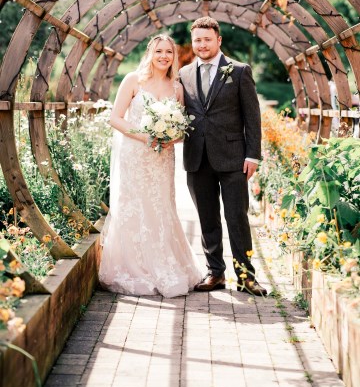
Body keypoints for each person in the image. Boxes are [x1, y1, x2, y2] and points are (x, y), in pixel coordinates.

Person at [99, 34, 203, 298]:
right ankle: (134, 267)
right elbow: (115, 118)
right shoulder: (133, 80)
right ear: (150, 52)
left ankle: (165, 263)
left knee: (160, 206)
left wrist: (172, 139)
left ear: (174, 56)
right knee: (134, 205)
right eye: (159, 51)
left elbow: (182, 127)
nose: (164, 56)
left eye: (169, 52)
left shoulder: (177, 88)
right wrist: (144, 136)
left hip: (161, 158)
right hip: (135, 154)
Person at [179, 17, 267, 296]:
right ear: (192, 43)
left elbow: (252, 117)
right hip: (197, 157)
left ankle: (246, 276)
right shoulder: (183, 74)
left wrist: (253, 155)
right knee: (207, 218)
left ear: (218, 40)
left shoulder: (239, 71)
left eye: (207, 39)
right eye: (197, 40)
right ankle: (215, 273)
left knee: (236, 217)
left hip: (233, 157)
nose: (202, 45)